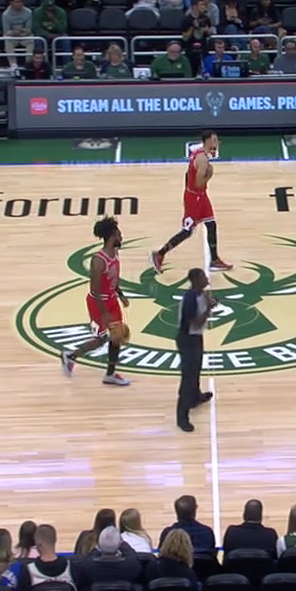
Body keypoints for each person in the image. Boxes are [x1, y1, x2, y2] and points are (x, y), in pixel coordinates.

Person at [61, 216, 133, 386]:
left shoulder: (115, 253)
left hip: (111, 299)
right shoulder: (99, 261)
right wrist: (104, 312)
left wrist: (120, 294)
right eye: (119, 234)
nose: (121, 237)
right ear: (112, 237)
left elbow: (114, 278)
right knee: (101, 340)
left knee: (117, 336)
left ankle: (110, 374)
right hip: (98, 302)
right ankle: (71, 356)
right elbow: (96, 289)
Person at [150, 131, 233, 273]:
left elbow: (188, 175)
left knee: (211, 224)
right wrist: (210, 175)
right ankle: (159, 254)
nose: (217, 142)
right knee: (187, 231)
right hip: (195, 198)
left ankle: (214, 260)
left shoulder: (199, 153)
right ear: (207, 141)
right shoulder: (202, 160)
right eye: (214, 140)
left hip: (200, 195)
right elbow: (199, 183)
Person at [175, 267, 215, 433]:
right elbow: (194, 323)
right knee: (188, 377)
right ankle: (182, 417)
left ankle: (195, 397)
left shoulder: (199, 293)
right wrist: (208, 310)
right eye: (203, 276)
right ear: (196, 280)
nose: (207, 278)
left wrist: (209, 303)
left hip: (195, 337)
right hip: (188, 339)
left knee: (196, 370)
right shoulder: (190, 299)